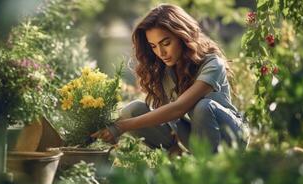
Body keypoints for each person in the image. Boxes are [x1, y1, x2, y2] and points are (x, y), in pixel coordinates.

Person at [91, 4, 249, 153]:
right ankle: (175, 155)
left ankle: (206, 172)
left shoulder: (213, 64)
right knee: (133, 110)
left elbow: (179, 108)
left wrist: (120, 127)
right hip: (195, 137)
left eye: (166, 43)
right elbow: (166, 115)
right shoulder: (165, 70)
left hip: (230, 136)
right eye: (153, 46)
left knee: (203, 106)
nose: (160, 52)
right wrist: (105, 127)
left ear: (183, 36)